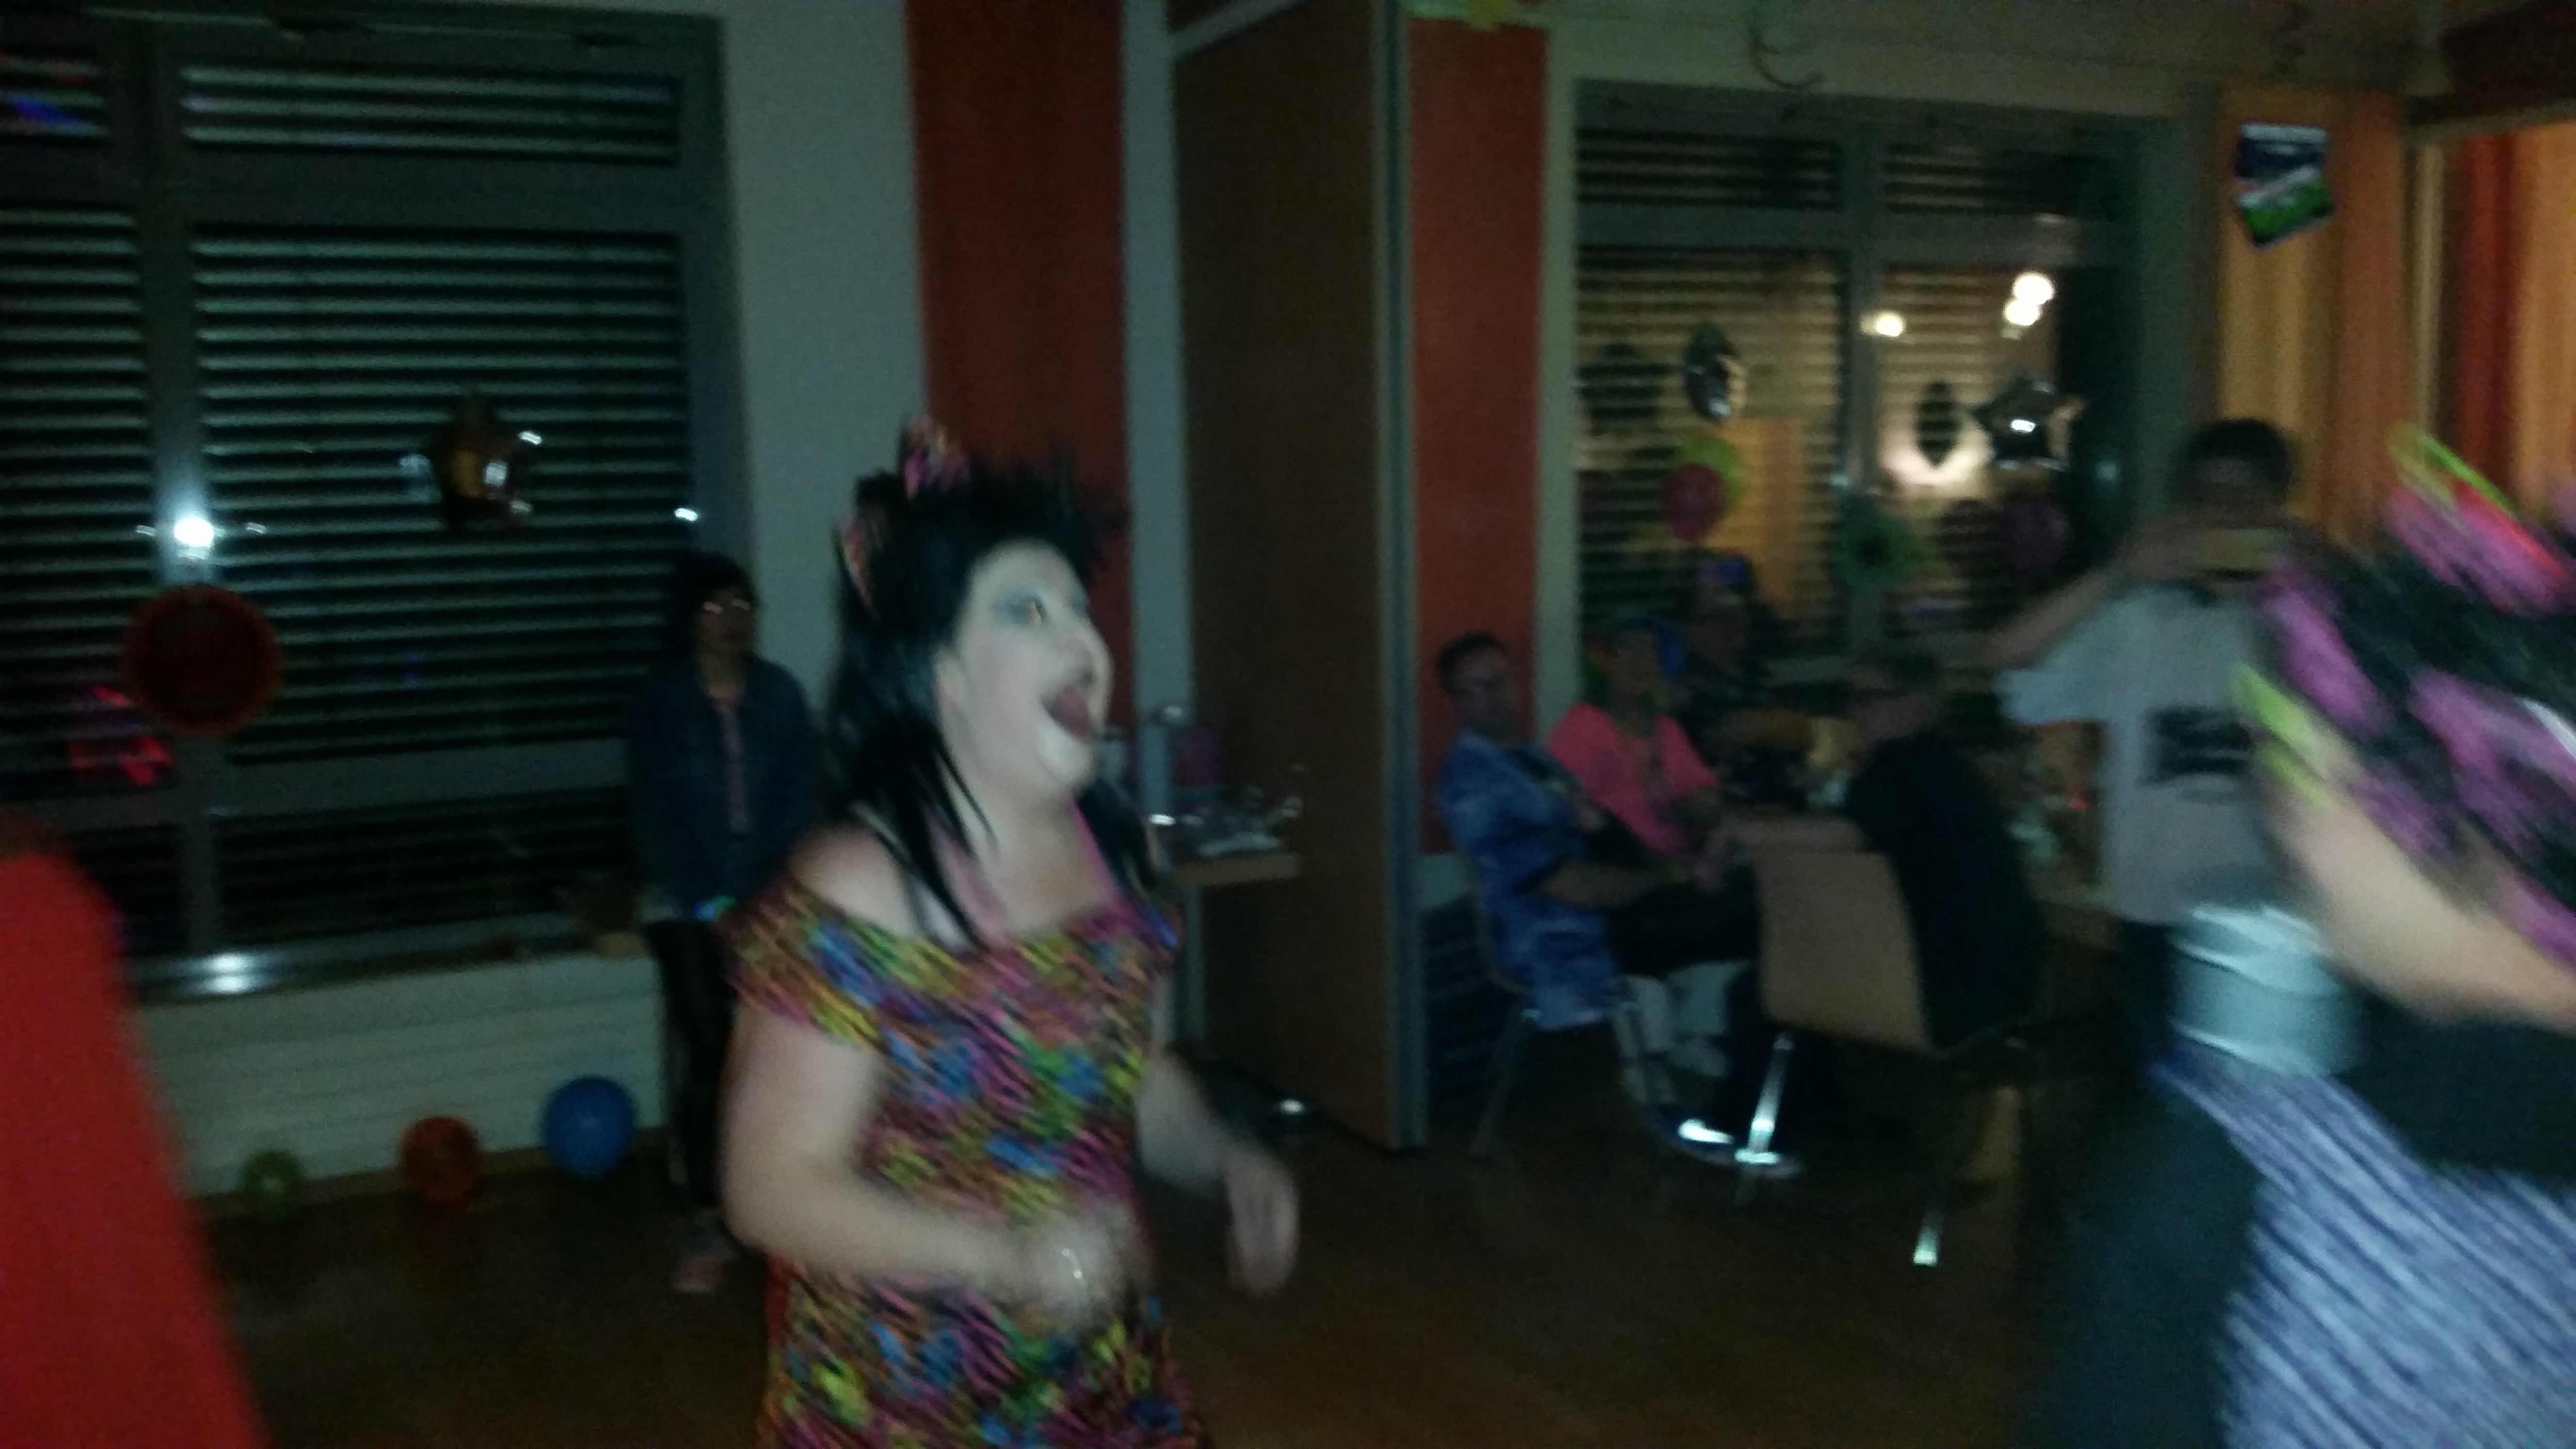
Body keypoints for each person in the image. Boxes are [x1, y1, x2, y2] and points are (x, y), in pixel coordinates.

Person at [717, 450, 1297, 1447]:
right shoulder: (859, 887)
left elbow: (1138, 1074)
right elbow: (770, 1186)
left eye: (1079, 609)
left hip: (1107, 1388)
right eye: (1026, 610)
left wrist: (1224, 1159)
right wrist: (1007, 1255)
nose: (1082, 638)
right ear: (941, 675)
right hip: (898, 1409)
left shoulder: (1121, 852)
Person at [2021, 443, 2576, 1447]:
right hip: (2167, 928)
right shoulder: (2142, 621)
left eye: (2297, 760)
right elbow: (2013, 668)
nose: (2276, 809)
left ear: (2452, 803)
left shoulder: (2239, 1190)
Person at [1982, 419, 2292, 1066]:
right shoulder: (2137, 621)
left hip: (2273, 911)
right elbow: (2005, 655)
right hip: (2154, 908)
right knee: (2168, 1095)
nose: (2226, 511)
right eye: (2208, 495)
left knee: (2271, 1100)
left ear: (2276, 509)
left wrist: (2306, 584)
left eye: (2247, 496)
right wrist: (2117, 573)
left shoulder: (2300, 622)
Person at [0, 814, 267, 1449]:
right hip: (76, 1153)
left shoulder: (37, 863)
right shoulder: (43, 872)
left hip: (89, 1143)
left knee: (110, 1323)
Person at [626, 551, 816, 1293]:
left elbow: (802, 801)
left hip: (768, 894)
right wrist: (711, 903)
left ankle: (775, 1200)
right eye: (714, 607)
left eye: (743, 605)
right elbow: (654, 817)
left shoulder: (781, 695)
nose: (732, 620)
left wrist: (761, 899)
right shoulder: (660, 701)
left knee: (780, 1047)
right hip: (685, 897)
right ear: (688, 618)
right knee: (709, 1043)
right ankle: (706, 1213)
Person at [1726, 649, 2042, 1046]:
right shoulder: (1941, 762)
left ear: (1915, 703)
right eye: (1852, 698)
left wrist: (1741, 833)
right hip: (1990, 977)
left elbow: (1848, 835)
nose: (1854, 712)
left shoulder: (1906, 764)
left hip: (1945, 986)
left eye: (1868, 699)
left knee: (1764, 990)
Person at [1549, 615, 1729, 862]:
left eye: (1649, 652)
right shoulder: (1581, 725)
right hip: (1613, 871)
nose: (1638, 660)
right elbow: (1561, 806)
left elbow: (1704, 794)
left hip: (1676, 868)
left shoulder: (1667, 729)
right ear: (1606, 660)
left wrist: (1700, 804)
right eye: (1627, 648)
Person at [1670, 557, 1810, 809]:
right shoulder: (1682, 685)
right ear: (1687, 627)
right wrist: (1772, 726)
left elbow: (1804, 732)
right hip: (1730, 814)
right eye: (1716, 617)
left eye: (1737, 611)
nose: (1732, 622)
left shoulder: (1760, 675)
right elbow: (1725, 736)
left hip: (1793, 808)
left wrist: (1774, 727)